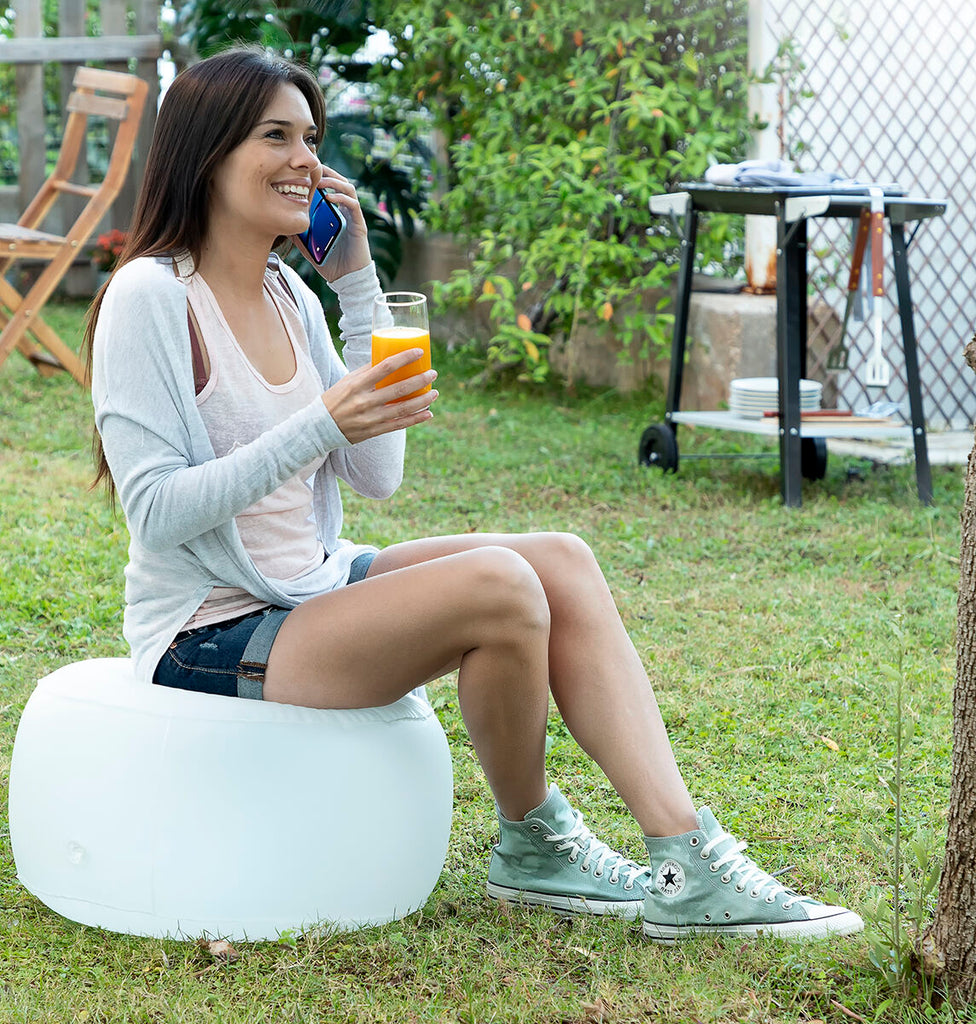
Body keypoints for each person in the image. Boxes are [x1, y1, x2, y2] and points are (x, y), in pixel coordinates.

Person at [85, 45, 863, 945]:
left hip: (310, 585)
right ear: (206, 152)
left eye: (312, 138)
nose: (307, 160)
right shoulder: (150, 297)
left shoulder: (289, 293)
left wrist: (357, 288)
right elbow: (155, 511)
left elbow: (377, 476)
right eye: (276, 137)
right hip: (209, 631)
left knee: (560, 560)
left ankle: (672, 853)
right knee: (499, 584)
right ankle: (548, 842)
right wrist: (323, 423)